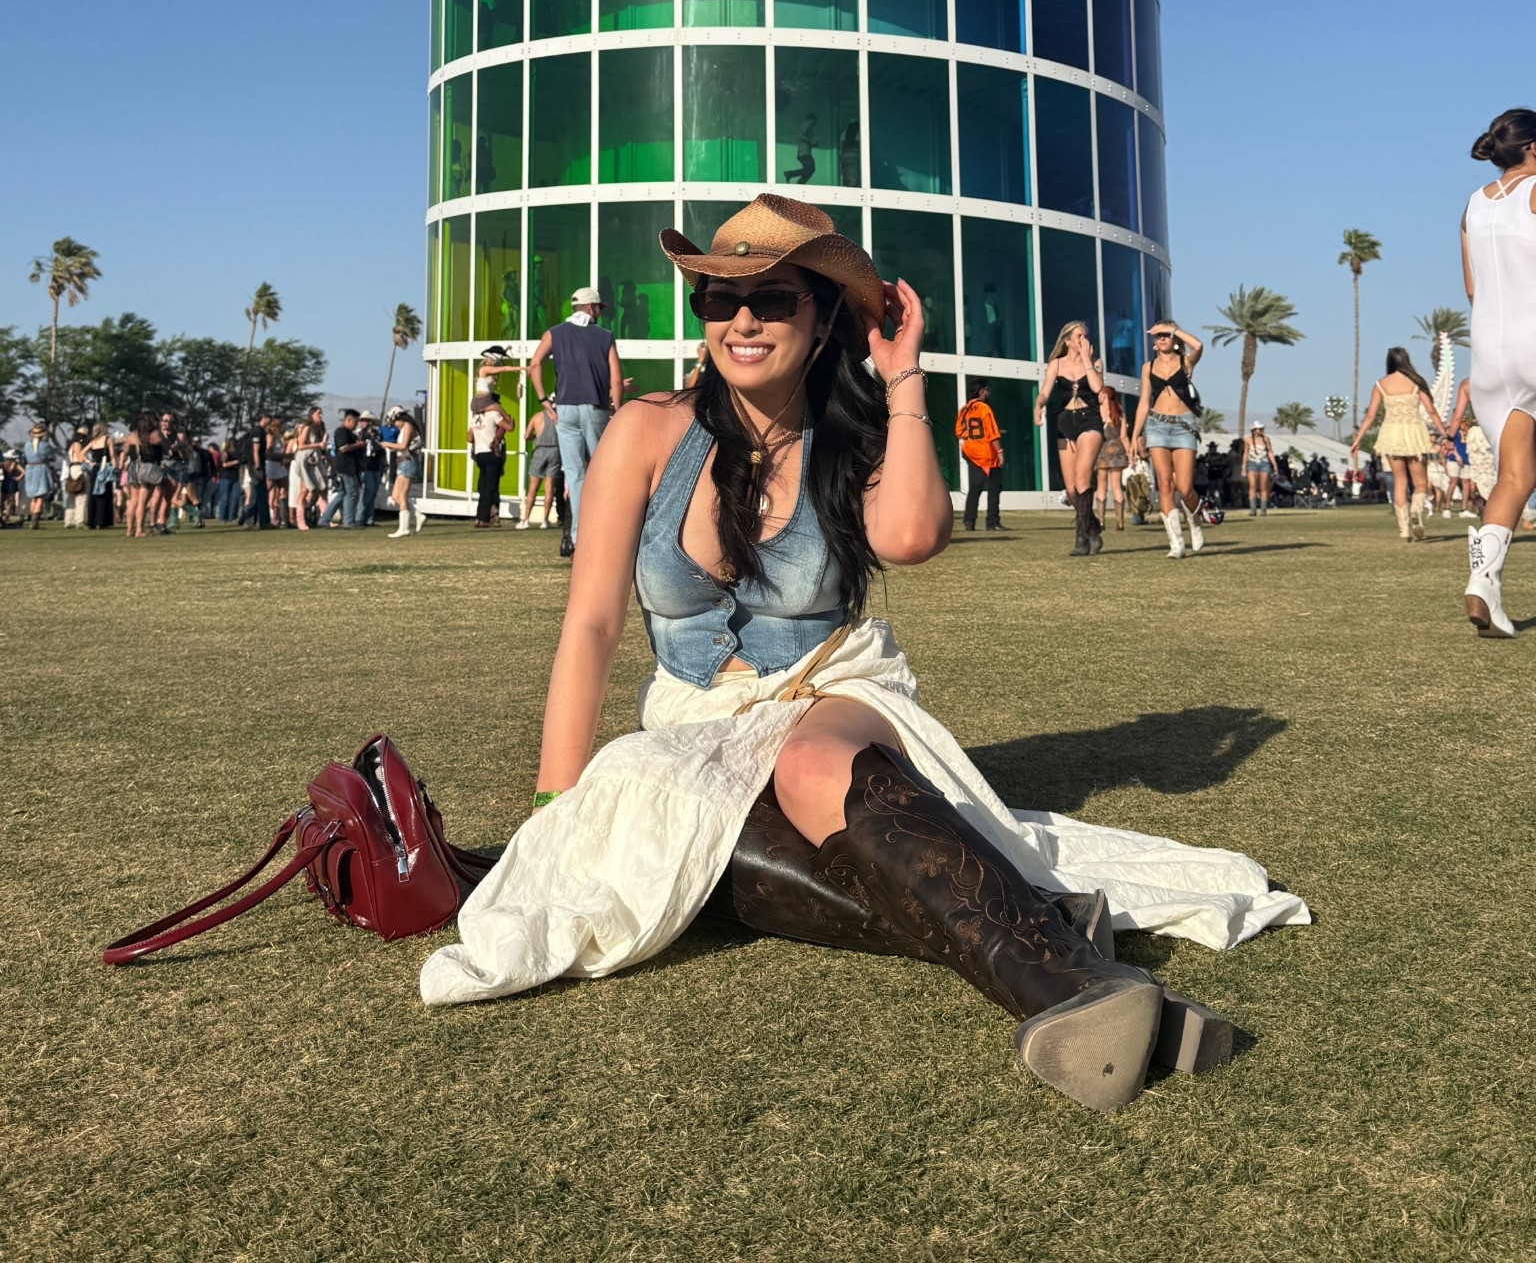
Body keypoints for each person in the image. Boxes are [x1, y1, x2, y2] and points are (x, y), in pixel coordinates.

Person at [419, 193, 1309, 1112]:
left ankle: (1071, 988)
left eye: (774, 300)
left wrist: (906, 377)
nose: (744, 321)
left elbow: (916, 537)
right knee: (689, 851)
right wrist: (553, 807)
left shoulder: (858, 434)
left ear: (825, 316)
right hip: (693, 715)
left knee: (805, 768)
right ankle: (1044, 923)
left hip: (828, 688)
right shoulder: (648, 429)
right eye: (720, 301)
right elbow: (592, 623)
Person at [1461, 109, 1536, 636]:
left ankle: (1483, 582)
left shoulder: (1471, 205)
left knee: (1516, 476)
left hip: (1488, 350)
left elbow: (1471, 289)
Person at [527, 286, 623, 547]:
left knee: (575, 475)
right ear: (592, 308)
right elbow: (616, 378)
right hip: (595, 407)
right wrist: (616, 406)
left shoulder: (555, 333)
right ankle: (609, 533)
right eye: (599, 308)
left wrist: (543, 400)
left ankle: (578, 538)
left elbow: (534, 364)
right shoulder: (605, 336)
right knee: (604, 471)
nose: (600, 313)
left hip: (565, 408)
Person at [1349, 350, 1447, 543]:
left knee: (1399, 482)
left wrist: (1358, 438)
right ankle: (1415, 511)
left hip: (1391, 434)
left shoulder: (1381, 384)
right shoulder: (1416, 382)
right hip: (1414, 432)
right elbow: (1431, 411)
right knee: (1420, 483)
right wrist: (1445, 434)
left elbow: (1370, 415)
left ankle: (1403, 529)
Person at [1129, 322, 1207, 559]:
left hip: (1184, 426)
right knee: (1164, 484)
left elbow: (1199, 345)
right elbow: (1144, 402)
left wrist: (1172, 329)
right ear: (1153, 342)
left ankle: (1194, 521)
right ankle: (1176, 543)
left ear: (1173, 338)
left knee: (1184, 488)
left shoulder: (1186, 362)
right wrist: (1135, 436)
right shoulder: (1148, 367)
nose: (1162, 339)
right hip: (1157, 425)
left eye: (1166, 335)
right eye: (1158, 336)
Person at [1034, 323, 1106, 556]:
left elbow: (1097, 387)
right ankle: (1093, 527)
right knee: (1072, 490)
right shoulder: (1056, 364)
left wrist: (1087, 359)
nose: (1083, 339)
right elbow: (1045, 390)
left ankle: (1081, 539)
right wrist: (1039, 404)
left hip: (1089, 421)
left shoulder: (1094, 363)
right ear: (1067, 340)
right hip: (1065, 422)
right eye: (1078, 336)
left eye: (1085, 335)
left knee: (1083, 480)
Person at [956, 382, 1004, 532]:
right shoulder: (984, 408)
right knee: (994, 487)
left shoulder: (964, 409)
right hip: (986, 453)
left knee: (975, 488)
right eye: (987, 390)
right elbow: (992, 433)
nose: (988, 393)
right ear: (982, 391)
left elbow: (959, 432)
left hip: (970, 451)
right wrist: (1000, 452)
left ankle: (969, 521)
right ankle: (992, 522)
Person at [470, 379, 513, 528]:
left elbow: (469, 437)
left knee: (483, 486)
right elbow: (509, 427)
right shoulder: (494, 414)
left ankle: (479, 517)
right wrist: (508, 418)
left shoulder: (475, 417)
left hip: (479, 453)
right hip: (491, 453)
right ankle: (484, 519)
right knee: (490, 487)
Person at [517, 397, 561, 528]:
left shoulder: (537, 417)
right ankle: (545, 520)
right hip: (555, 451)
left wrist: (535, 437)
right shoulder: (558, 418)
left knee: (532, 488)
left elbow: (526, 436)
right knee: (549, 487)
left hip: (540, 451)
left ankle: (525, 519)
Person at [318, 411, 365, 529]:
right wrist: (357, 445)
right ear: (349, 420)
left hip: (348, 467)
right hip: (345, 467)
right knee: (352, 493)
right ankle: (348, 521)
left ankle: (324, 520)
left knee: (342, 493)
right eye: (355, 422)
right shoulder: (341, 432)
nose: (356, 425)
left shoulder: (349, 433)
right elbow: (343, 448)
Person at [384, 406, 426, 537]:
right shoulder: (403, 428)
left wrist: (387, 444)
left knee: (402, 495)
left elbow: (403, 446)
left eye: (395, 422)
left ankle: (404, 528)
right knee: (395, 496)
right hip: (403, 462)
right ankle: (417, 515)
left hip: (408, 463)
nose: (395, 425)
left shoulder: (408, 426)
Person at [1095, 392, 1130, 534]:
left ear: (1104, 396)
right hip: (1117, 450)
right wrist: (1129, 453)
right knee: (1116, 486)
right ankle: (1120, 522)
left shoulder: (1097, 411)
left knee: (1101, 485)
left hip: (1101, 450)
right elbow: (1124, 436)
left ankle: (1101, 520)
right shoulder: (1119, 411)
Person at [1241, 423, 1278, 518]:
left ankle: (1263, 510)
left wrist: (1274, 465)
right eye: (1259, 429)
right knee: (1252, 485)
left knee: (1264, 486)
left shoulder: (1266, 439)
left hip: (1264, 463)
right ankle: (1253, 510)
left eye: (1262, 429)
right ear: (1254, 430)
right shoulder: (1248, 440)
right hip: (1252, 463)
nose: (1261, 431)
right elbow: (1246, 453)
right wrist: (1244, 466)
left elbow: (1270, 452)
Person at [356, 415, 386, 527]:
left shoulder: (377, 434)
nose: (362, 423)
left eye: (364, 421)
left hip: (376, 466)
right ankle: (359, 517)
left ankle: (369, 518)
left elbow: (381, 448)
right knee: (367, 493)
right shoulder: (360, 434)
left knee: (373, 493)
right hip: (366, 466)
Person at [784, 115, 818, 186]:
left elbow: (804, 140)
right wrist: (811, 142)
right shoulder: (806, 126)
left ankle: (799, 184)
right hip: (804, 153)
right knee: (810, 169)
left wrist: (813, 144)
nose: (815, 124)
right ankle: (790, 174)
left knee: (809, 171)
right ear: (811, 120)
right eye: (814, 121)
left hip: (805, 153)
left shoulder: (809, 129)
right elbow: (800, 136)